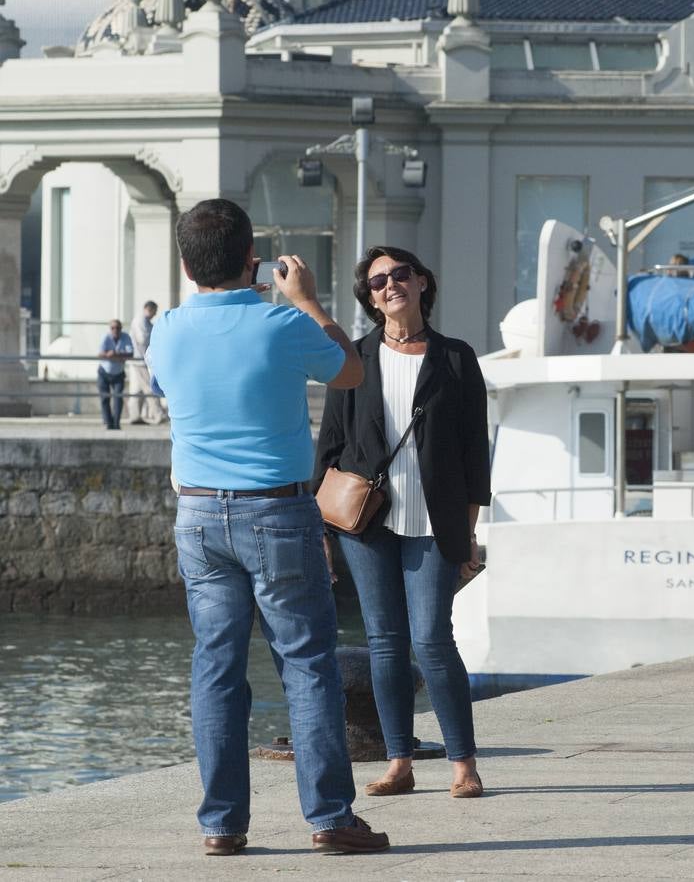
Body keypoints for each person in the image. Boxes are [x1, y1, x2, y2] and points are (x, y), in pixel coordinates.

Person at [149, 199, 389, 856]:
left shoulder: (165, 330)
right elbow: (351, 370)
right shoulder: (282, 322)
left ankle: (222, 826)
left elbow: (170, 382)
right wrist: (307, 300)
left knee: (216, 667)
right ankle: (330, 818)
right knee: (307, 664)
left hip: (198, 513)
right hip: (276, 511)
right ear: (253, 259)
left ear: (185, 264)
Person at [314, 245, 490, 801]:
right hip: (366, 524)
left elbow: (473, 455)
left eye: (401, 274)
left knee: (434, 640)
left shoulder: (457, 358)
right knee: (385, 644)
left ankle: (463, 763)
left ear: (422, 282)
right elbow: (330, 448)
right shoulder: (356, 359)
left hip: (435, 523)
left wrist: (466, 532)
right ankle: (399, 761)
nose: (391, 285)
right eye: (377, 281)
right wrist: (322, 532)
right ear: (370, 299)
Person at [128, 301, 166, 425]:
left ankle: (136, 415)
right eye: (154, 311)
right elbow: (143, 339)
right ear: (149, 309)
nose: (155, 315)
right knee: (150, 388)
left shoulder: (146, 322)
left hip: (143, 360)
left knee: (138, 389)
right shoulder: (140, 321)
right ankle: (158, 414)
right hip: (140, 360)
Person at [96, 318, 134, 430]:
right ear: (110, 329)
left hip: (118, 373)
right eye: (113, 328)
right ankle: (109, 423)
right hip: (104, 371)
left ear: (121, 328)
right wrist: (111, 355)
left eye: (117, 328)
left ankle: (116, 423)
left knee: (118, 397)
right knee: (105, 398)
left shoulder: (126, 337)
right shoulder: (105, 337)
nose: (115, 330)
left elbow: (130, 354)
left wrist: (115, 354)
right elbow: (100, 354)